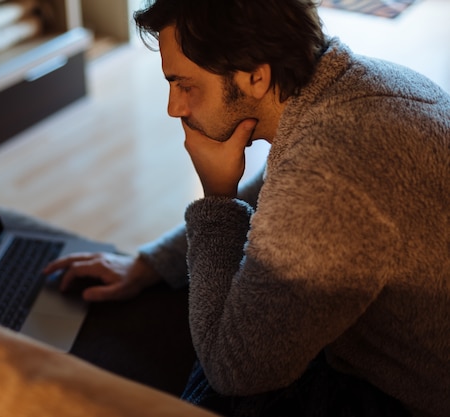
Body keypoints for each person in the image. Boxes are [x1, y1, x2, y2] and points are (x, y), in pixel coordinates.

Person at [44, 0, 450, 415]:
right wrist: (150, 264)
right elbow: (275, 188)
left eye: (185, 85)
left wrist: (217, 197)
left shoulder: (332, 172)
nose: (174, 108)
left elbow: (236, 370)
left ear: (256, 75)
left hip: (406, 396)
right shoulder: (356, 87)